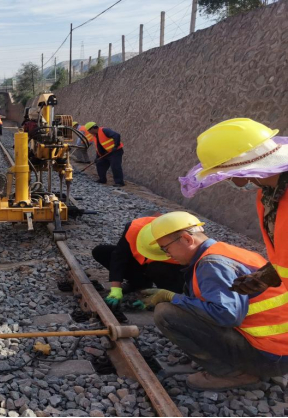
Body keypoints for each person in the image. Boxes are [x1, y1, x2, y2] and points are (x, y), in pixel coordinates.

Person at [145, 211, 288, 390]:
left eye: (166, 248)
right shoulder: (226, 252)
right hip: (279, 350)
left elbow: (227, 316)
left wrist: (172, 297)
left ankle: (234, 375)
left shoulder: (212, 264)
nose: (167, 254)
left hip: (269, 357)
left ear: (187, 239)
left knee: (166, 314)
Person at [179, 118, 288, 295]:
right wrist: (264, 277)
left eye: (225, 176)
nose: (228, 180)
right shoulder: (267, 196)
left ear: (240, 172)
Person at [92, 214, 184, 308]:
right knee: (101, 252)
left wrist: (164, 297)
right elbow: (119, 257)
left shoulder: (182, 245)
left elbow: (188, 278)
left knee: (156, 268)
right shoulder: (134, 228)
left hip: (165, 271)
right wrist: (116, 288)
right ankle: (139, 284)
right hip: (142, 265)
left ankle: (164, 297)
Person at [85, 122, 125, 187]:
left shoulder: (104, 130)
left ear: (92, 129)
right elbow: (98, 147)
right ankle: (102, 179)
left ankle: (119, 182)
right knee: (99, 164)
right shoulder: (95, 136)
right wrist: (97, 157)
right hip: (105, 154)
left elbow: (117, 135)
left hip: (115, 152)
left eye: (88, 131)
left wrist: (115, 146)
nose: (89, 132)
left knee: (115, 166)